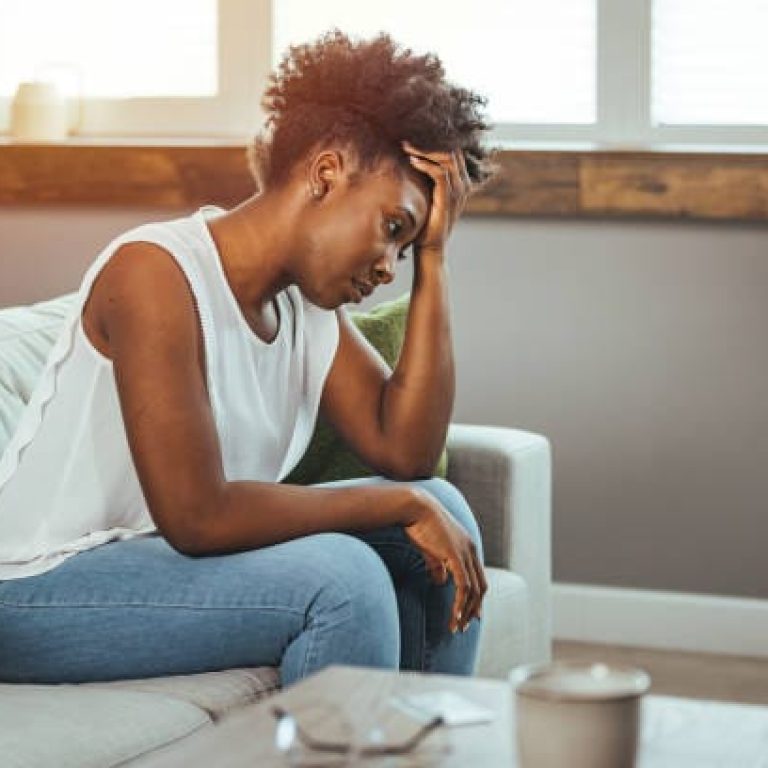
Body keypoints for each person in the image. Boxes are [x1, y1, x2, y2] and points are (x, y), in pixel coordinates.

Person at [0, 29, 497, 686]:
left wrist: (435, 257)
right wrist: (395, 505)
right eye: (393, 230)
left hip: (147, 562)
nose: (388, 268)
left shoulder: (305, 310)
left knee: (443, 504)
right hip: (32, 589)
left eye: (406, 249)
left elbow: (405, 454)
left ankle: (418, 741)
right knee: (342, 581)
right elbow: (197, 516)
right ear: (327, 173)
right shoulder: (154, 272)